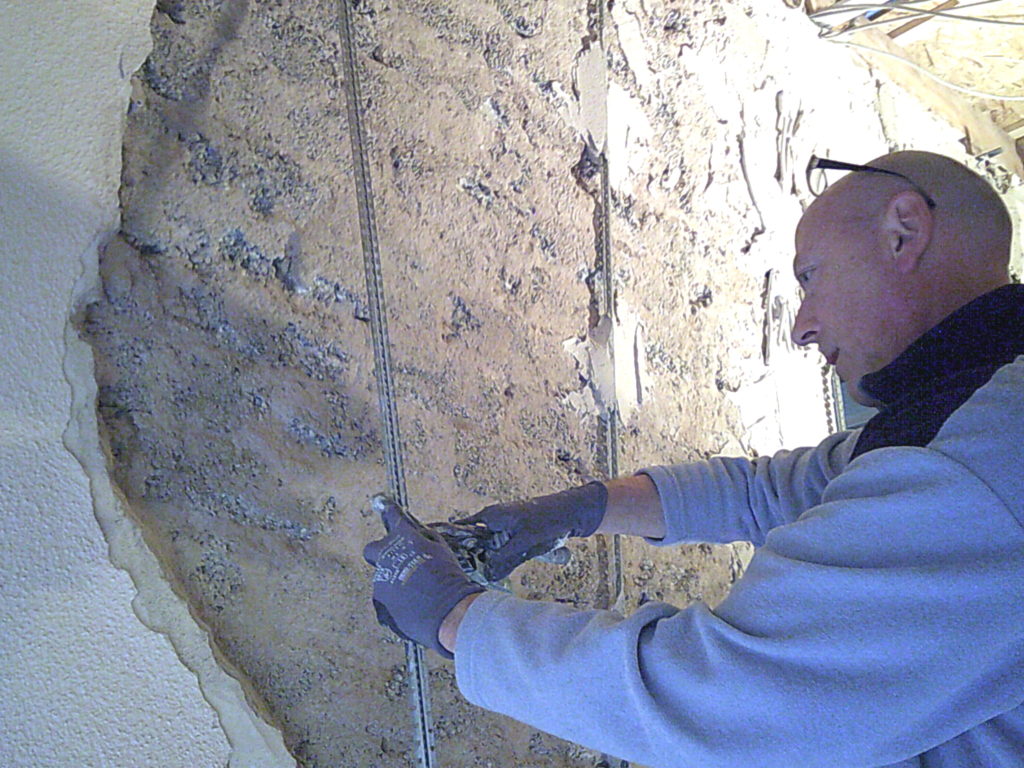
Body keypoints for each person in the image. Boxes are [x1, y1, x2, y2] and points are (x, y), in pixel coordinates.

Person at [363, 150, 1024, 767]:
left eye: (810, 276)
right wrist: (578, 510)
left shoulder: (980, 462)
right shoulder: (964, 407)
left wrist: (457, 617)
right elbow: (776, 490)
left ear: (903, 231)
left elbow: (731, 698)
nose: (801, 326)